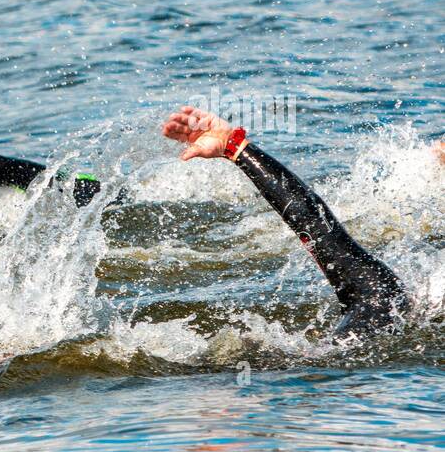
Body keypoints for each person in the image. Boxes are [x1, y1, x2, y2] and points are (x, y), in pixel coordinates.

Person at [161, 105, 408, 338]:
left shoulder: (386, 302)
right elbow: (321, 232)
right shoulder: (387, 304)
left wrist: (236, 147)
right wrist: (236, 147)